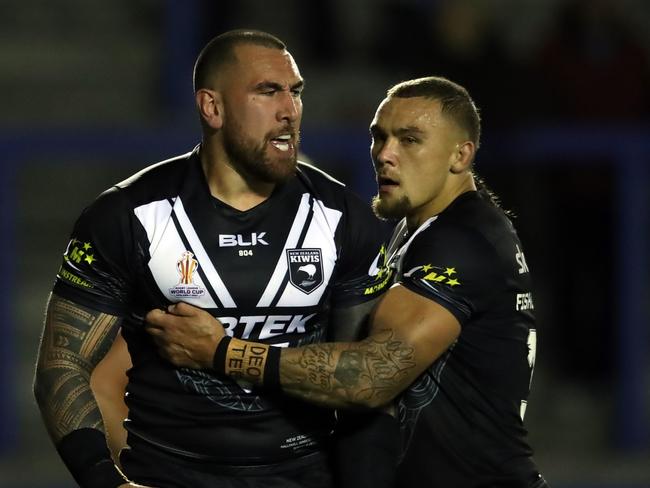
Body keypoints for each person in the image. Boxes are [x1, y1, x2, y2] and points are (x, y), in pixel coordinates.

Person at [146, 76, 549, 487]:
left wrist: (221, 352)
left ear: (460, 155)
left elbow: (370, 377)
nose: (385, 154)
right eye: (379, 136)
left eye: (409, 140)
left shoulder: (459, 241)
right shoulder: (425, 230)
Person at [33, 29, 392, 488]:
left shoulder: (343, 218)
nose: (290, 110)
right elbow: (62, 363)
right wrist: (105, 481)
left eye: (295, 92)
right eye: (267, 91)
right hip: (167, 475)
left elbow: (370, 382)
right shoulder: (130, 216)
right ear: (212, 107)